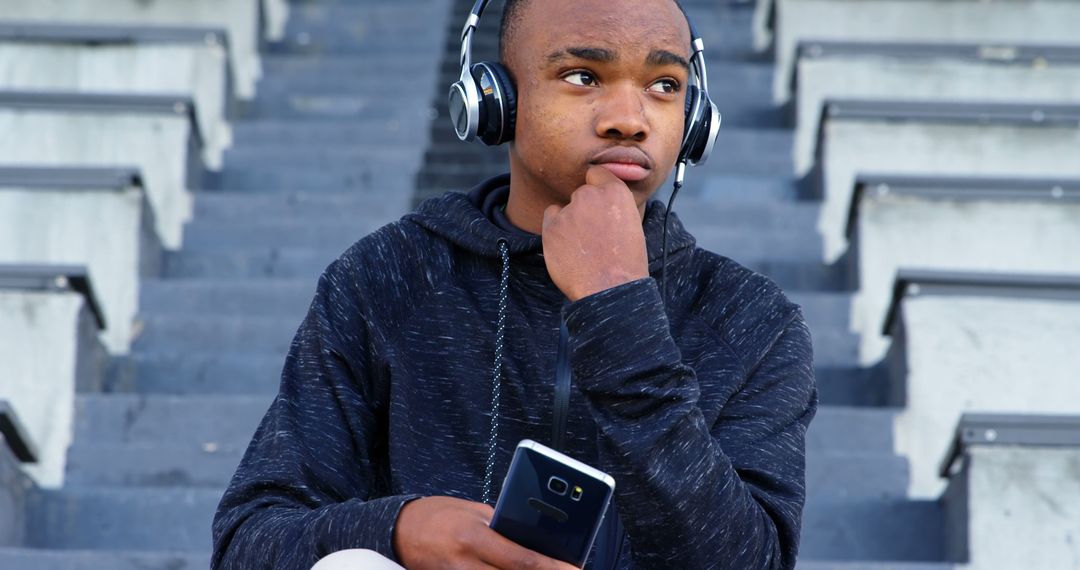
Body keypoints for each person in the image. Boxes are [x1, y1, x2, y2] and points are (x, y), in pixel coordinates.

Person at [211, 0, 817, 568]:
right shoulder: (384, 277)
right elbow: (249, 539)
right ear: (497, 100)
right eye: (583, 76)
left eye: (664, 86)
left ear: (693, 122)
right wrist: (398, 530)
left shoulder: (754, 320)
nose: (630, 120)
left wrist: (618, 308)